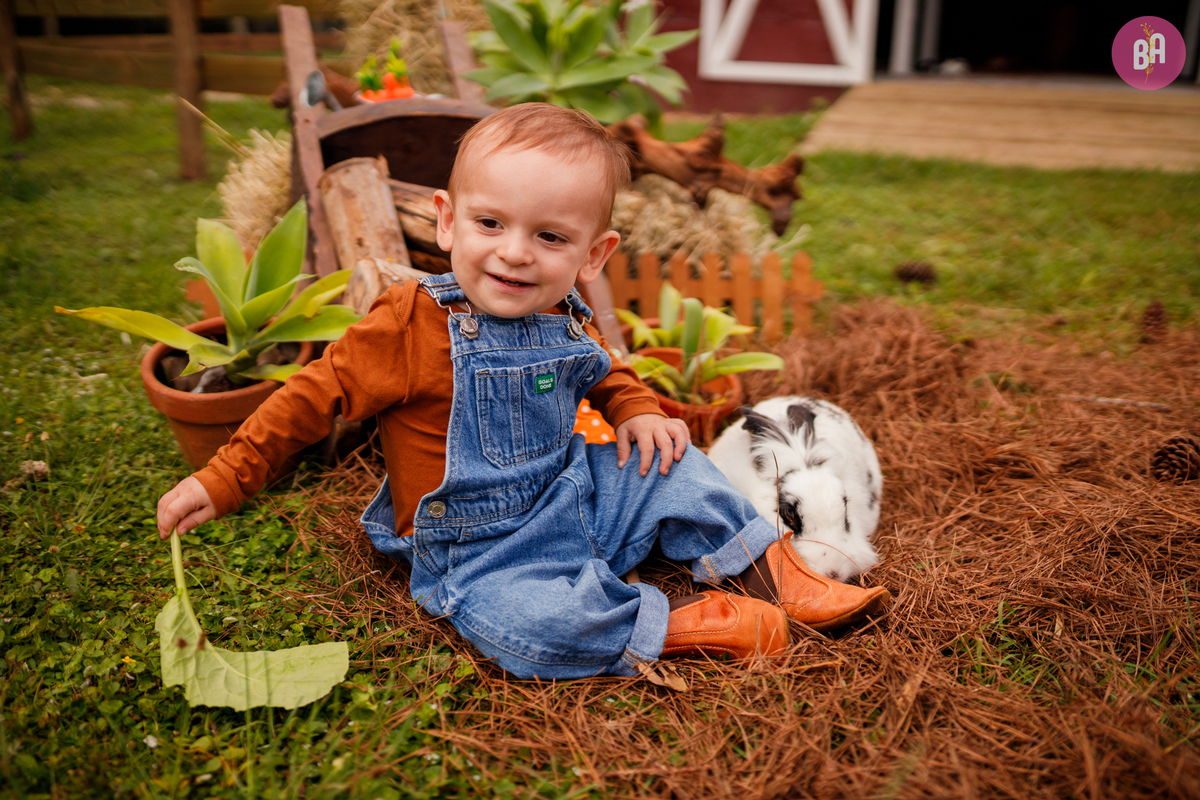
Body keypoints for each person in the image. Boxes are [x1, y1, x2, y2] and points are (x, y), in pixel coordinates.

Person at [157, 103, 889, 680]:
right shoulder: (410, 325)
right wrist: (224, 478)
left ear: (592, 255)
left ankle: (773, 570)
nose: (513, 252)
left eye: (549, 237)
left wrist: (633, 410)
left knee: (676, 466)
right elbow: (308, 399)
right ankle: (685, 623)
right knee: (533, 628)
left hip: (574, 493)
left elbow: (605, 366)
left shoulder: (564, 314)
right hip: (477, 546)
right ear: (447, 221)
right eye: (490, 223)